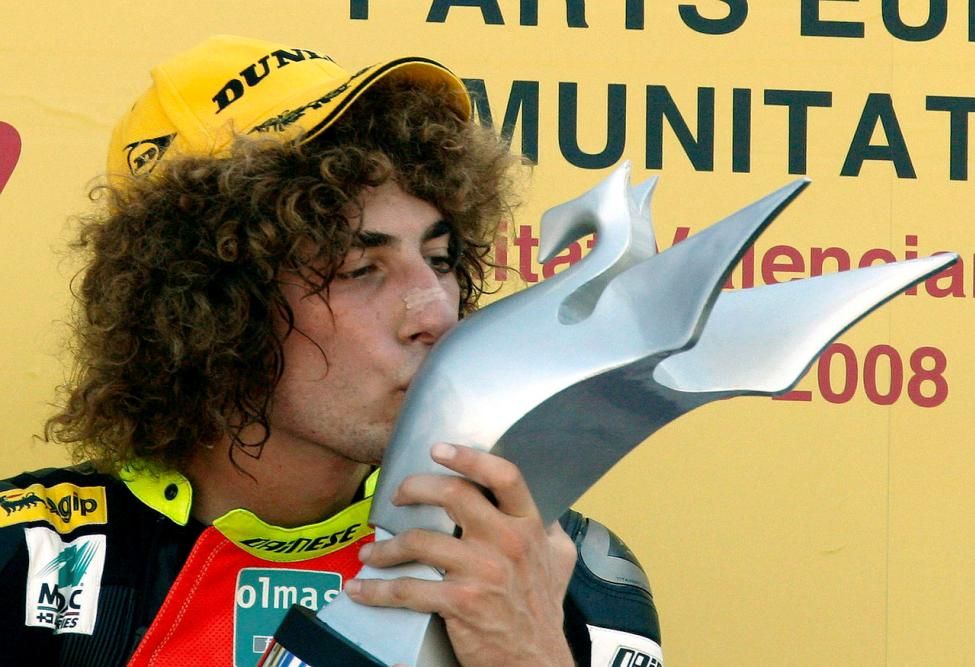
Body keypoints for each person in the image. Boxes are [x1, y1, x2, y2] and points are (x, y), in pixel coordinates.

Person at [0, 35, 662, 666]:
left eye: (439, 259)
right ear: (204, 306)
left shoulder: (554, 569)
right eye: (360, 269)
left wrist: (531, 654)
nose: (436, 313)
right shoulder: (27, 560)